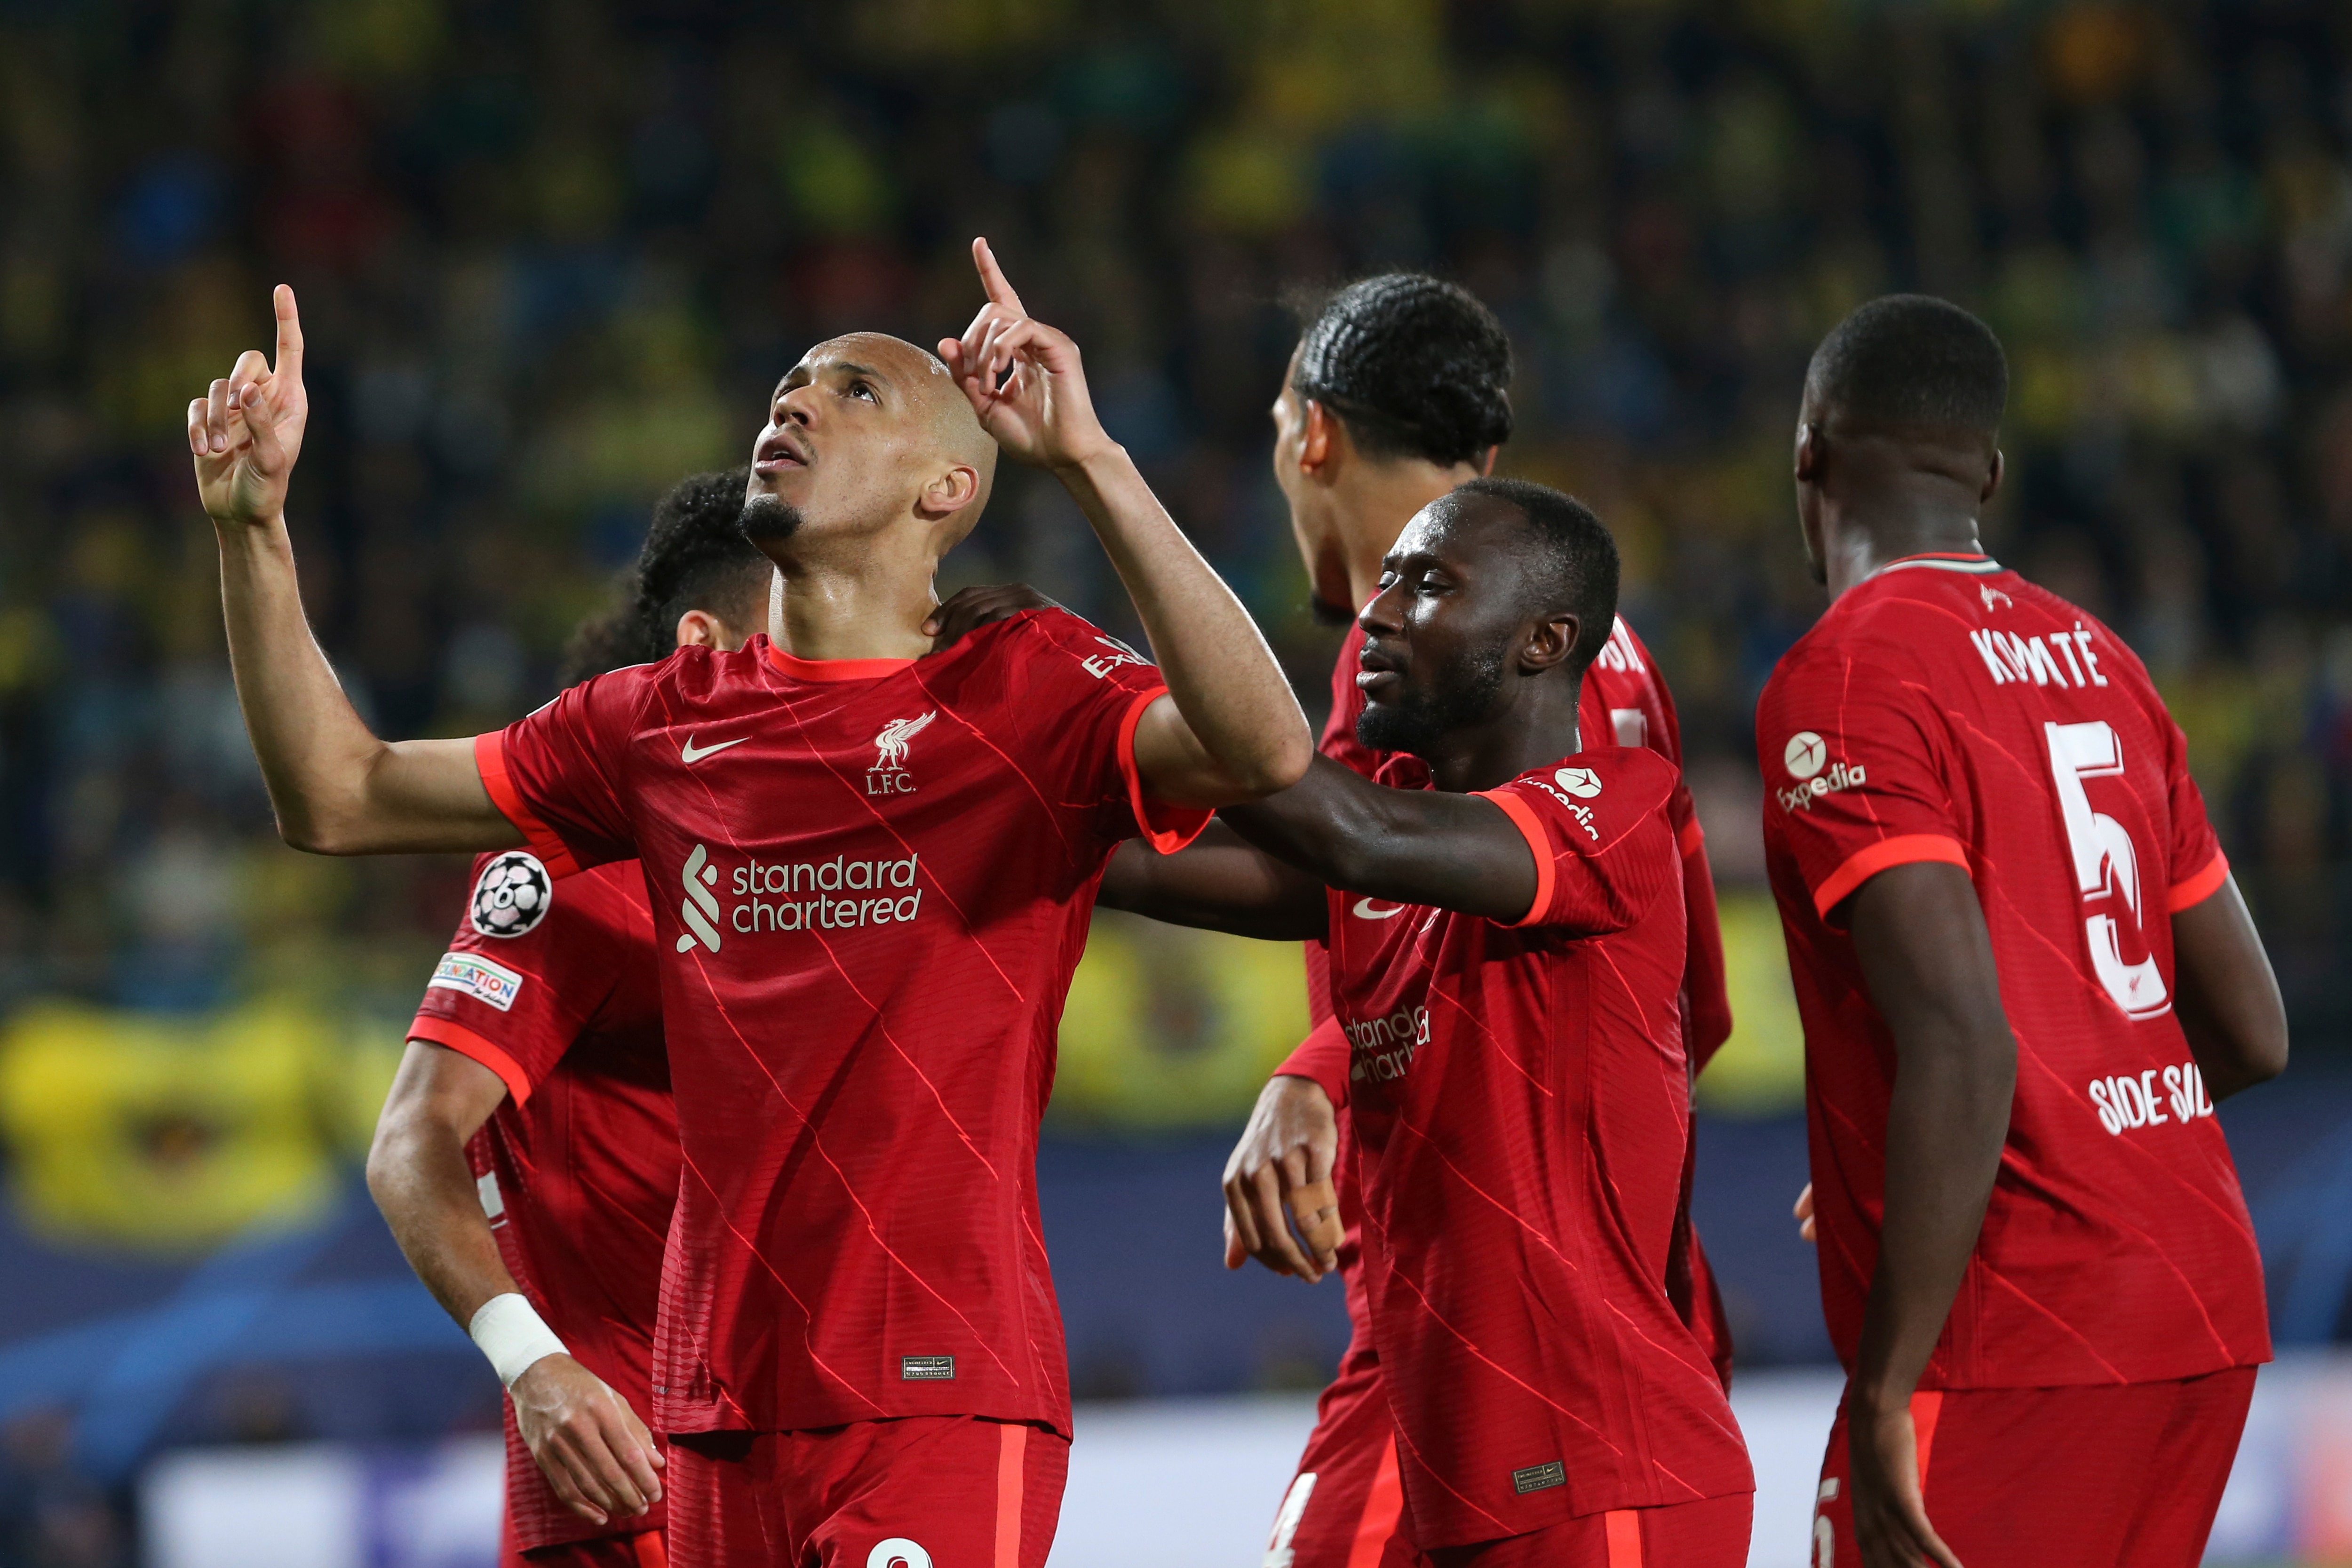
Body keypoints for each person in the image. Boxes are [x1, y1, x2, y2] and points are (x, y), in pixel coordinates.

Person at [188, 243, 1313, 1568]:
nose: (796, 402)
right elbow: (339, 793)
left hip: (936, 1380)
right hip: (712, 1401)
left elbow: (1263, 750)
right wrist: (253, 532)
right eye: (788, 383)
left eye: (854, 393)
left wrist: (1094, 464)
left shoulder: (1024, 691)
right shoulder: (658, 727)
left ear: (947, 488)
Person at [1180, 274, 1734, 1568]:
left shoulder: (1520, 679)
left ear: (1307, 434)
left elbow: (1367, 851)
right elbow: (1695, 988)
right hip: (1452, 1298)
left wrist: (1321, 1068)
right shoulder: (1493, 659)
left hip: (1529, 1329)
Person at [1762, 295, 2285, 1568]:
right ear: (1989, 470)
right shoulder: (2106, 657)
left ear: (1807, 452)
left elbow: (1964, 1041)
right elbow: (2252, 1028)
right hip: (2199, 1310)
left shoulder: (1845, 674)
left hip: (2021, 1324)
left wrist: (1885, 1388)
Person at [367, 469, 773, 1567]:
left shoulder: (833, 860)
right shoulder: (578, 867)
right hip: (635, 1482)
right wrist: (531, 1358)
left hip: (807, 1460)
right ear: (710, 641)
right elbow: (412, 1138)